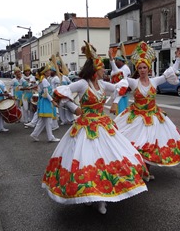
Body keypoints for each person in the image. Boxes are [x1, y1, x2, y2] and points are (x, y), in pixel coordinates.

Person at [42, 41, 148, 215]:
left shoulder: (103, 85)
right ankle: (90, 194)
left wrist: (114, 103)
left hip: (103, 126)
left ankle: (102, 198)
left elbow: (119, 89)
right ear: (94, 70)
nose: (104, 71)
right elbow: (62, 93)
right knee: (87, 160)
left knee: (107, 158)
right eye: (101, 69)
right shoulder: (83, 84)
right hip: (85, 128)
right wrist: (74, 108)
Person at [113, 41, 180, 182]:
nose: (142, 70)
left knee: (151, 144)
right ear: (137, 69)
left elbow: (169, 73)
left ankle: (147, 171)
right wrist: (115, 103)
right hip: (137, 117)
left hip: (153, 117)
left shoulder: (155, 81)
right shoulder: (134, 82)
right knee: (138, 144)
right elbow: (121, 84)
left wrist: (178, 59)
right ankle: (139, 169)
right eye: (140, 68)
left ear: (149, 68)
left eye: (145, 67)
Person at [30, 64, 60, 142]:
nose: (50, 72)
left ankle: (35, 134)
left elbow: (42, 92)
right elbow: (46, 94)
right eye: (48, 71)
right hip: (46, 102)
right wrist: (53, 101)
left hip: (43, 101)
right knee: (48, 121)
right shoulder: (44, 80)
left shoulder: (41, 79)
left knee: (43, 121)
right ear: (45, 72)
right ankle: (50, 137)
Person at [108, 43, 131, 114]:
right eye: (115, 59)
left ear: (121, 61)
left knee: (121, 111)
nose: (115, 61)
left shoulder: (123, 69)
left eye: (117, 60)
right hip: (116, 92)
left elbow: (125, 81)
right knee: (120, 111)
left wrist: (110, 58)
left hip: (122, 92)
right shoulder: (116, 69)